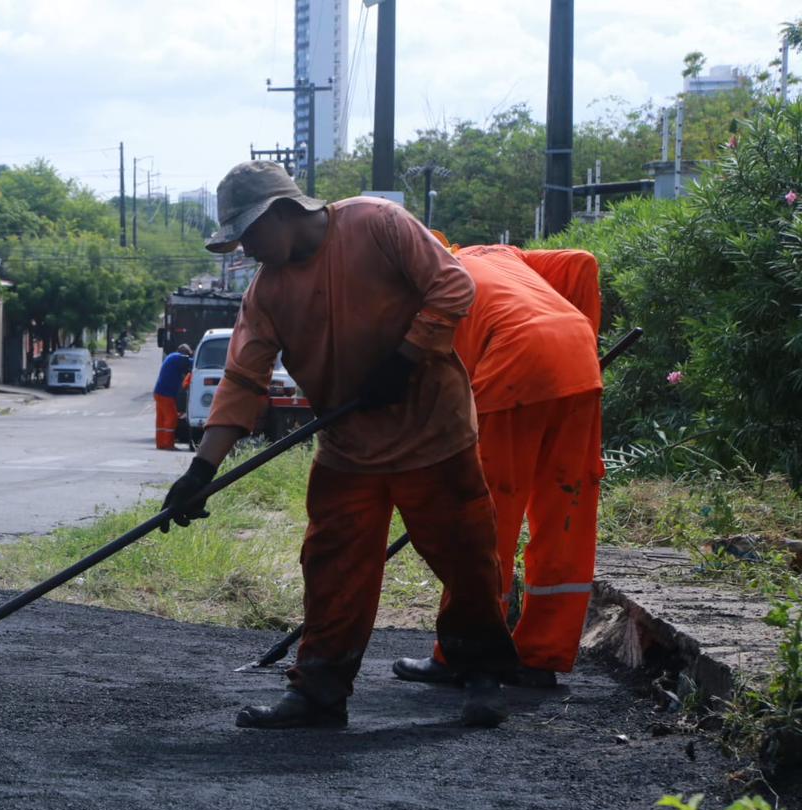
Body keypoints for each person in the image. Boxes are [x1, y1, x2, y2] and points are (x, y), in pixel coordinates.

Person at [162, 160, 518, 729]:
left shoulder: (377, 224)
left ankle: (480, 673)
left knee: (466, 557)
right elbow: (243, 381)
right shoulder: (267, 294)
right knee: (331, 566)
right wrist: (199, 472)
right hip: (348, 446)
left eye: (250, 235)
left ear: (282, 213)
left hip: (434, 430)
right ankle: (320, 691)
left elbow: (454, 286)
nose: (247, 251)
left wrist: (405, 360)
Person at [392, 244, 604, 689]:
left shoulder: (431, 282)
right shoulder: (502, 254)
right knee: (565, 513)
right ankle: (541, 657)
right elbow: (583, 263)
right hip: (578, 357)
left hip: (514, 361)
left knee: (485, 520)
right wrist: (580, 342)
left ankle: (461, 655)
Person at [154, 344, 193, 450]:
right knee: (171, 418)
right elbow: (194, 363)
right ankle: (168, 444)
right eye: (189, 354)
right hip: (166, 394)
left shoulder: (172, 357)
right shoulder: (178, 358)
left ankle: (160, 444)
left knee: (161, 420)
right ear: (185, 353)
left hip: (159, 392)